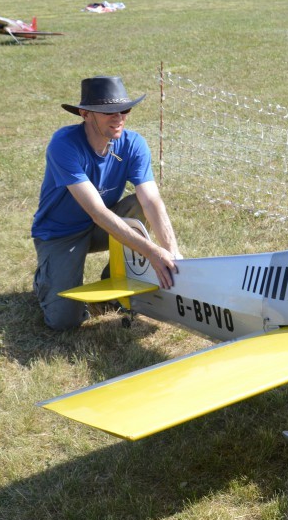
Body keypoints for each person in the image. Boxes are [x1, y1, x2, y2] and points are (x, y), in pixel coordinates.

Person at [32, 76, 181, 330]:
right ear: (85, 114)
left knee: (138, 204)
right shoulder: (64, 144)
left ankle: (114, 278)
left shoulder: (134, 144)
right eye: (108, 112)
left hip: (102, 228)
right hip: (60, 234)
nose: (119, 117)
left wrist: (173, 252)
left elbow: (152, 200)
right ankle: (46, 277)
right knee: (63, 322)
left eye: (124, 109)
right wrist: (152, 252)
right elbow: (97, 212)